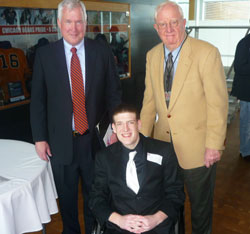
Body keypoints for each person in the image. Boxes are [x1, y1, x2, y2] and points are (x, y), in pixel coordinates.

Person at [30, 0, 121, 234]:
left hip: (95, 141)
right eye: (68, 21)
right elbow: (38, 100)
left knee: (96, 195)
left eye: (79, 21)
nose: (74, 27)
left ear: (86, 22)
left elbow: (113, 94)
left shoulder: (101, 52)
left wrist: (117, 129)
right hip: (60, 143)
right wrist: (40, 138)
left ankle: (95, 230)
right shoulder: (44, 55)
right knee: (67, 198)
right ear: (59, 23)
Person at [140, 1, 228, 234]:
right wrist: (139, 141)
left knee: (200, 208)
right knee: (170, 205)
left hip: (198, 150)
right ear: (156, 27)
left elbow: (217, 104)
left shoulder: (206, 53)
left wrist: (214, 145)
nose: (169, 29)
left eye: (174, 22)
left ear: (184, 23)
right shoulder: (152, 56)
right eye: (163, 24)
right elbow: (149, 102)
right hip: (162, 149)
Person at [89, 103, 185, 234]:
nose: (125, 129)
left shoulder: (164, 151)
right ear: (114, 128)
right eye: (120, 124)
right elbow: (96, 198)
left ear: (139, 124)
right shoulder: (104, 158)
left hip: (157, 226)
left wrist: (156, 219)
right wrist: (119, 220)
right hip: (119, 227)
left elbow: (176, 193)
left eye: (130, 122)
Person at [231, 34, 250, 160]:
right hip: (246, 91)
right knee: (246, 123)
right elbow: (239, 66)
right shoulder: (244, 43)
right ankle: (246, 151)